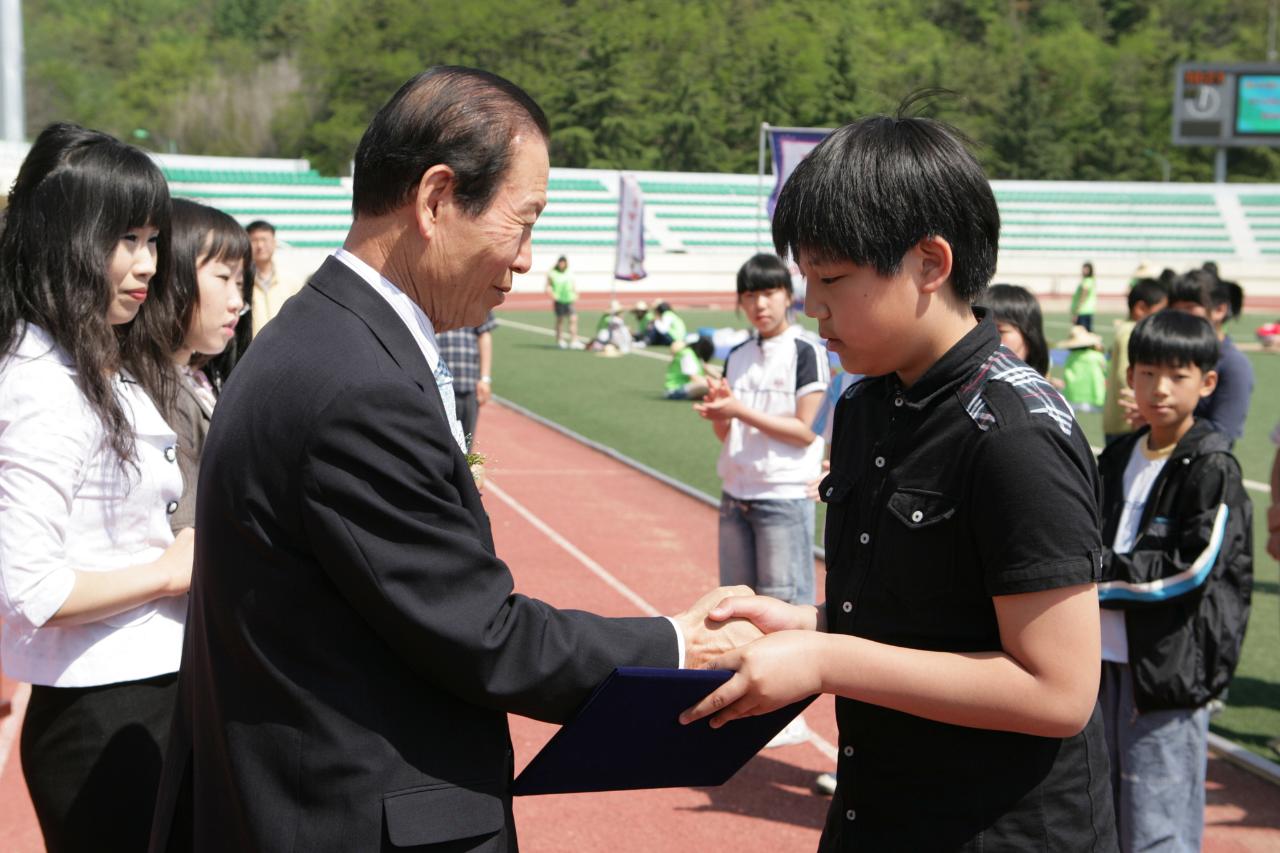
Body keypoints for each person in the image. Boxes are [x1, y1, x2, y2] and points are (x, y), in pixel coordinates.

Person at [148, 66, 758, 853]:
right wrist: (676, 644)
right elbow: (481, 632)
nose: (528, 259)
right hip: (353, 813)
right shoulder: (356, 383)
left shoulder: (318, 337)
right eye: (523, 222)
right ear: (436, 199)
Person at [684, 104, 1117, 850]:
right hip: (879, 811)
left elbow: (1059, 690)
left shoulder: (1014, 433)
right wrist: (806, 623)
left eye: (833, 278)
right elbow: (925, 623)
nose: (812, 306)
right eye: (805, 279)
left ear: (929, 263)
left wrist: (825, 656)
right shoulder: (869, 404)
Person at [0, 123, 194, 853]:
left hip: (146, 699)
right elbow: (31, 588)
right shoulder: (41, 383)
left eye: (152, 239)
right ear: (66, 239)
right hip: (98, 715)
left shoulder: (97, 365)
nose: (146, 265)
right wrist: (169, 570)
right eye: (126, 241)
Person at [1095, 309, 1252, 852]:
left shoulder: (1213, 468)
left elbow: (1192, 568)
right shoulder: (1116, 457)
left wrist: (1093, 579)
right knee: (1100, 813)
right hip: (1095, 666)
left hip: (1164, 674)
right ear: (1129, 376)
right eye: (1145, 373)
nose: (1158, 389)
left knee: (1155, 821)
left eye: (1177, 375)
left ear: (1207, 383)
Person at [694, 252, 829, 748]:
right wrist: (718, 413)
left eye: (767, 293)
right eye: (748, 296)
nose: (758, 304)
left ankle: (789, 713)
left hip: (782, 494)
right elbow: (726, 432)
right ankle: (748, 699)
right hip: (737, 492)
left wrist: (738, 409)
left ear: (788, 296)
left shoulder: (806, 351)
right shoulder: (738, 354)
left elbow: (802, 431)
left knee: (786, 605)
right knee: (736, 604)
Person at [161, 199, 251, 531]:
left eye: (240, 283)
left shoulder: (193, 375)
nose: (237, 302)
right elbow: (184, 530)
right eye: (224, 277)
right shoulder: (160, 391)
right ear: (172, 278)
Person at [1168, 270, 1255, 445]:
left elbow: (1223, 434)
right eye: (1174, 310)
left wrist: (1167, 423)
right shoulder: (1172, 355)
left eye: (1189, 308)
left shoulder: (1234, 365)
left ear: (1219, 310)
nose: (1180, 317)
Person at [1103, 278, 1168, 446]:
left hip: (1121, 422)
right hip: (1126, 424)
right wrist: (1143, 408)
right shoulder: (1131, 332)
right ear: (1140, 309)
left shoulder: (1127, 330)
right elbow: (1124, 376)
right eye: (1160, 312)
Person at [437, 312, 496, 449]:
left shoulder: (477, 294)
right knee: (441, 442)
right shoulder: (432, 294)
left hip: (468, 384)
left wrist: (485, 378)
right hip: (438, 385)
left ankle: (464, 469)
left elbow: (484, 334)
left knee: (466, 442)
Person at [246, 219, 305, 336]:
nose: (260, 245)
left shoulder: (292, 281)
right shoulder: (242, 283)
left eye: (264, 240)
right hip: (251, 350)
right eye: (254, 240)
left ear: (274, 242)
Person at [977, 283, 1049, 375]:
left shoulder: (1035, 388)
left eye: (1000, 331)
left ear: (1029, 337)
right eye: (979, 329)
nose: (985, 338)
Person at [1057, 324, 1107, 412]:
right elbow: (1105, 373)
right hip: (1095, 397)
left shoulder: (1070, 357)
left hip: (1073, 397)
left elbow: (1066, 376)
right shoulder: (1098, 356)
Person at [545, 254, 581, 348]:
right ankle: (559, 340)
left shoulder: (569, 272)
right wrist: (553, 295)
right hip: (559, 300)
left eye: (563, 263)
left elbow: (573, 284)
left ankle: (574, 340)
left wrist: (575, 293)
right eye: (560, 262)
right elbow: (548, 286)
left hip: (569, 299)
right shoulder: (552, 273)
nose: (562, 264)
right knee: (560, 320)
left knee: (573, 319)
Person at [664, 335, 714, 400]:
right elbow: (695, 378)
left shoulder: (693, 356)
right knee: (708, 385)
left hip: (682, 388)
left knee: (711, 385)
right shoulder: (687, 354)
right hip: (674, 391)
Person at [1071, 260, 1098, 332]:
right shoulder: (1091, 280)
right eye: (1083, 269)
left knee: (1081, 334)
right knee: (1087, 333)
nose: (1084, 271)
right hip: (1088, 310)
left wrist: (1076, 312)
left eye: (1086, 269)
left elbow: (1083, 297)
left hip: (1083, 311)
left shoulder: (1087, 281)